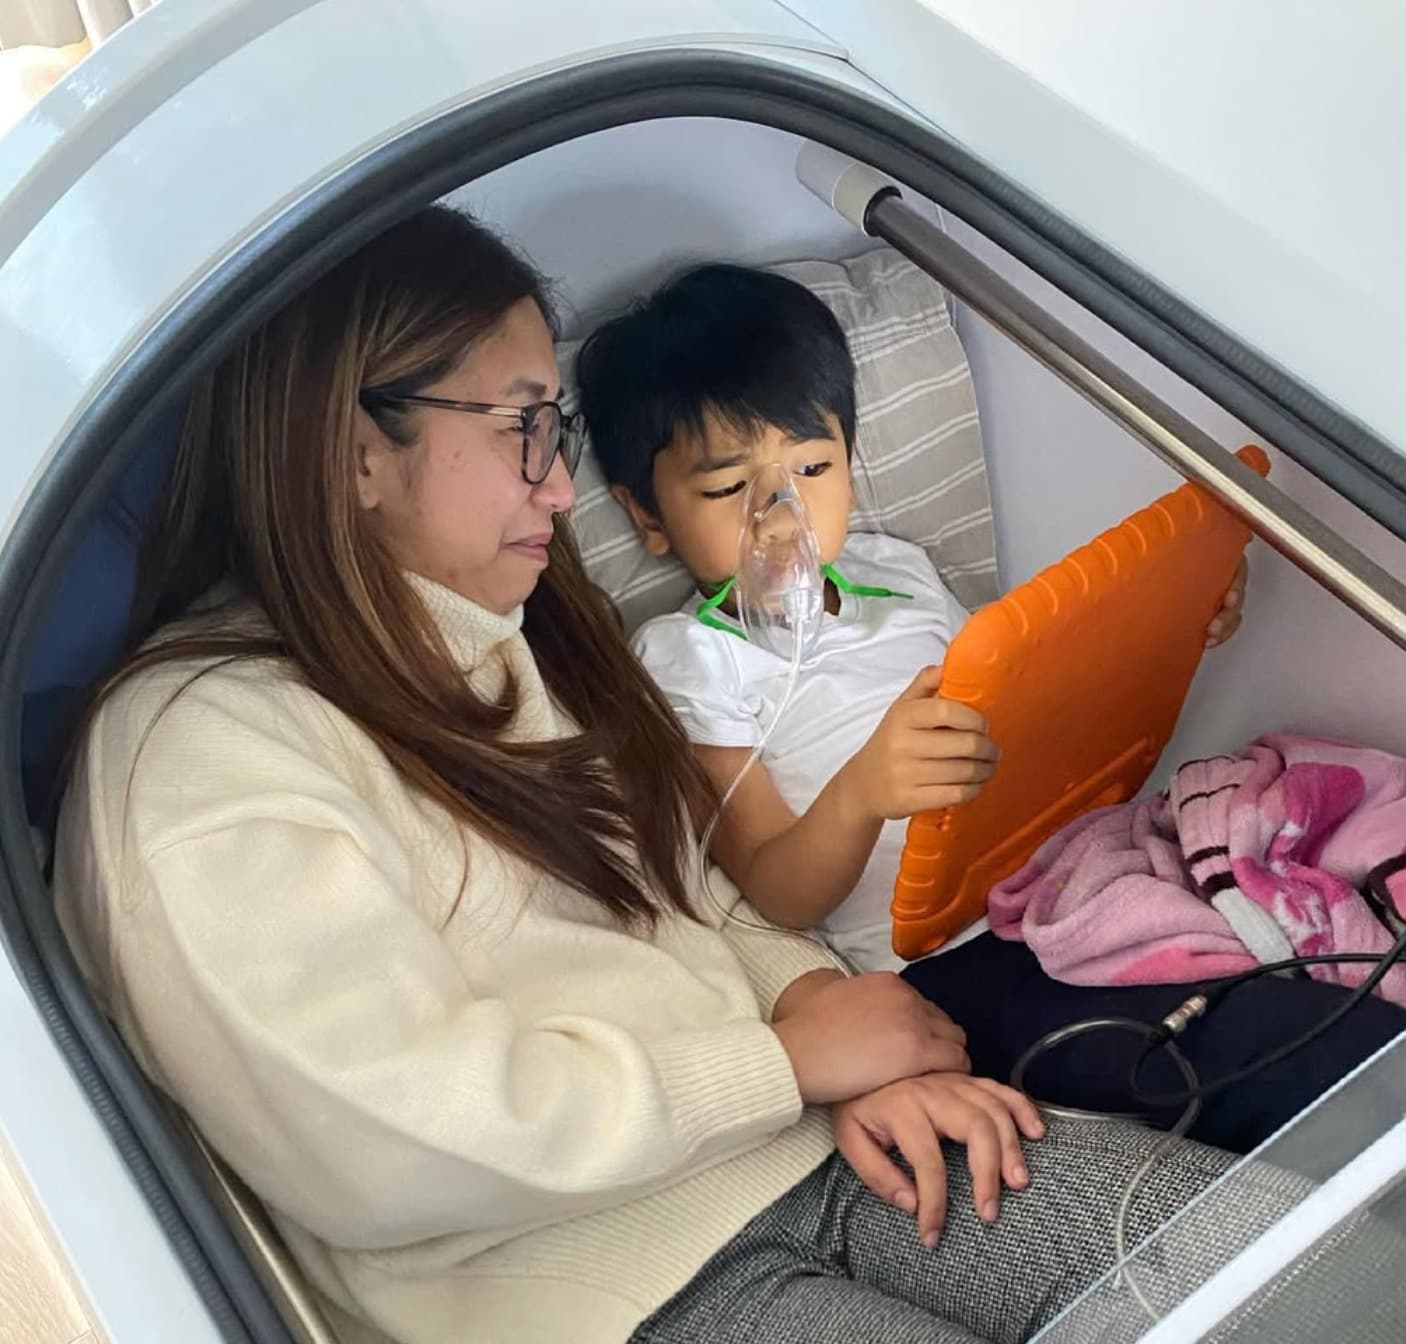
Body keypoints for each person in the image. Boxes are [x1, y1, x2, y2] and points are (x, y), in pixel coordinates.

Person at [50, 205, 1280, 1344]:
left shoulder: (516, 642)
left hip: (808, 1137)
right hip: (599, 1285)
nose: (555, 482)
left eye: (558, 431)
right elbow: (378, 1143)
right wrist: (779, 1067)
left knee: (1269, 1258)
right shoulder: (199, 748)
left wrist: (820, 1018)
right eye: (523, 427)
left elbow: (687, 888)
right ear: (354, 449)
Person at [576, 261, 1406, 1156]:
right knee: (1294, 1054)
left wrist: (1173, 618)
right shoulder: (689, 657)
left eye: (811, 467)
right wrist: (861, 793)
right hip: (957, 959)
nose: (781, 518)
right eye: (725, 488)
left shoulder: (898, 575)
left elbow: (1036, 703)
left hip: (1090, 865)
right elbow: (776, 893)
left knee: (1329, 920)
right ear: (647, 517)